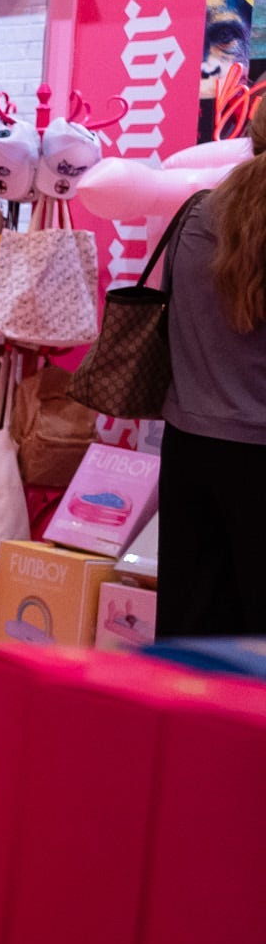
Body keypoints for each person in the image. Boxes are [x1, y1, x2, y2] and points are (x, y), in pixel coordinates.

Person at [160, 107, 266, 635]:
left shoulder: (198, 213)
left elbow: (174, 310)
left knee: (191, 629)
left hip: (190, 444)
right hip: (258, 448)